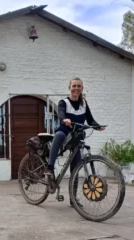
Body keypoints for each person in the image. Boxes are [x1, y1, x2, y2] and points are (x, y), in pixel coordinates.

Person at [45, 77, 104, 208]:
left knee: (76, 168)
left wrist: (98, 126)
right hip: (66, 132)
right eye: (74, 86)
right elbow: (60, 114)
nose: (76, 88)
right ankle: (49, 167)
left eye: (79, 86)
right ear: (69, 87)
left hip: (77, 136)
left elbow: (90, 120)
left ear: (82, 89)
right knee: (59, 134)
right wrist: (64, 119)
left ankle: (73, 198)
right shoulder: (63, 102)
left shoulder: (84, 104)